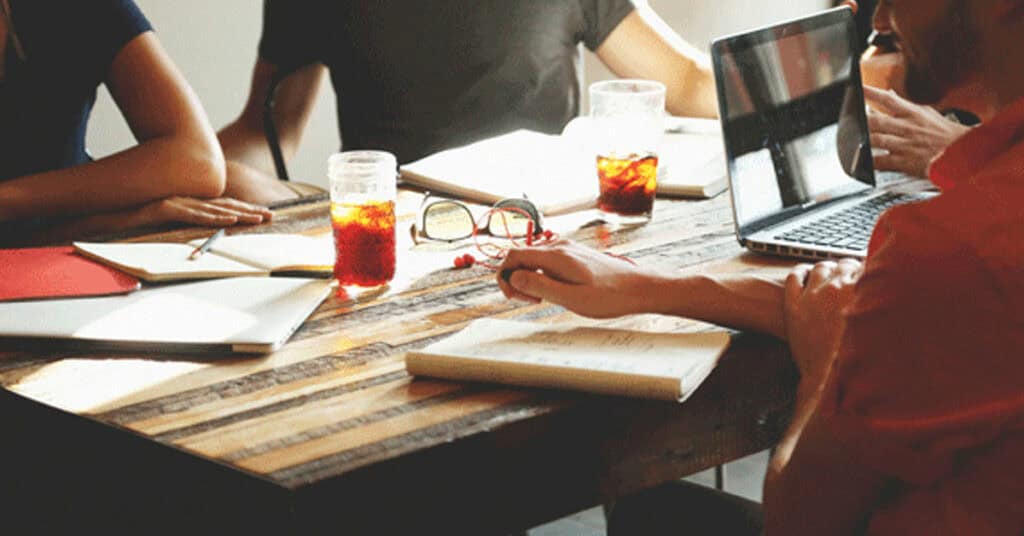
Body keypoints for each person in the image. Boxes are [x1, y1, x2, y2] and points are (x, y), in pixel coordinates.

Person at [496, 0, 1024, 532]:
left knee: (655, 514)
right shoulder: (962, 253)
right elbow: (872, 307)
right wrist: (647, 287)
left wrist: (822, 372)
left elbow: (798, 519)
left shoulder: (953, 250)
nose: (880, 17)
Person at [218, 0, 719, 205]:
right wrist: (202, 172)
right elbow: (268, 129)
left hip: (548, 234)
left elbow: (683, 83)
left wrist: (790, 92)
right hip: (404, 242)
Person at [0, 0, 271, 246]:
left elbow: (196, 160)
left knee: (242, 187)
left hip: (60, 233)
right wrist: (110, 224)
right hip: (44, 243)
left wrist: (112, 222)